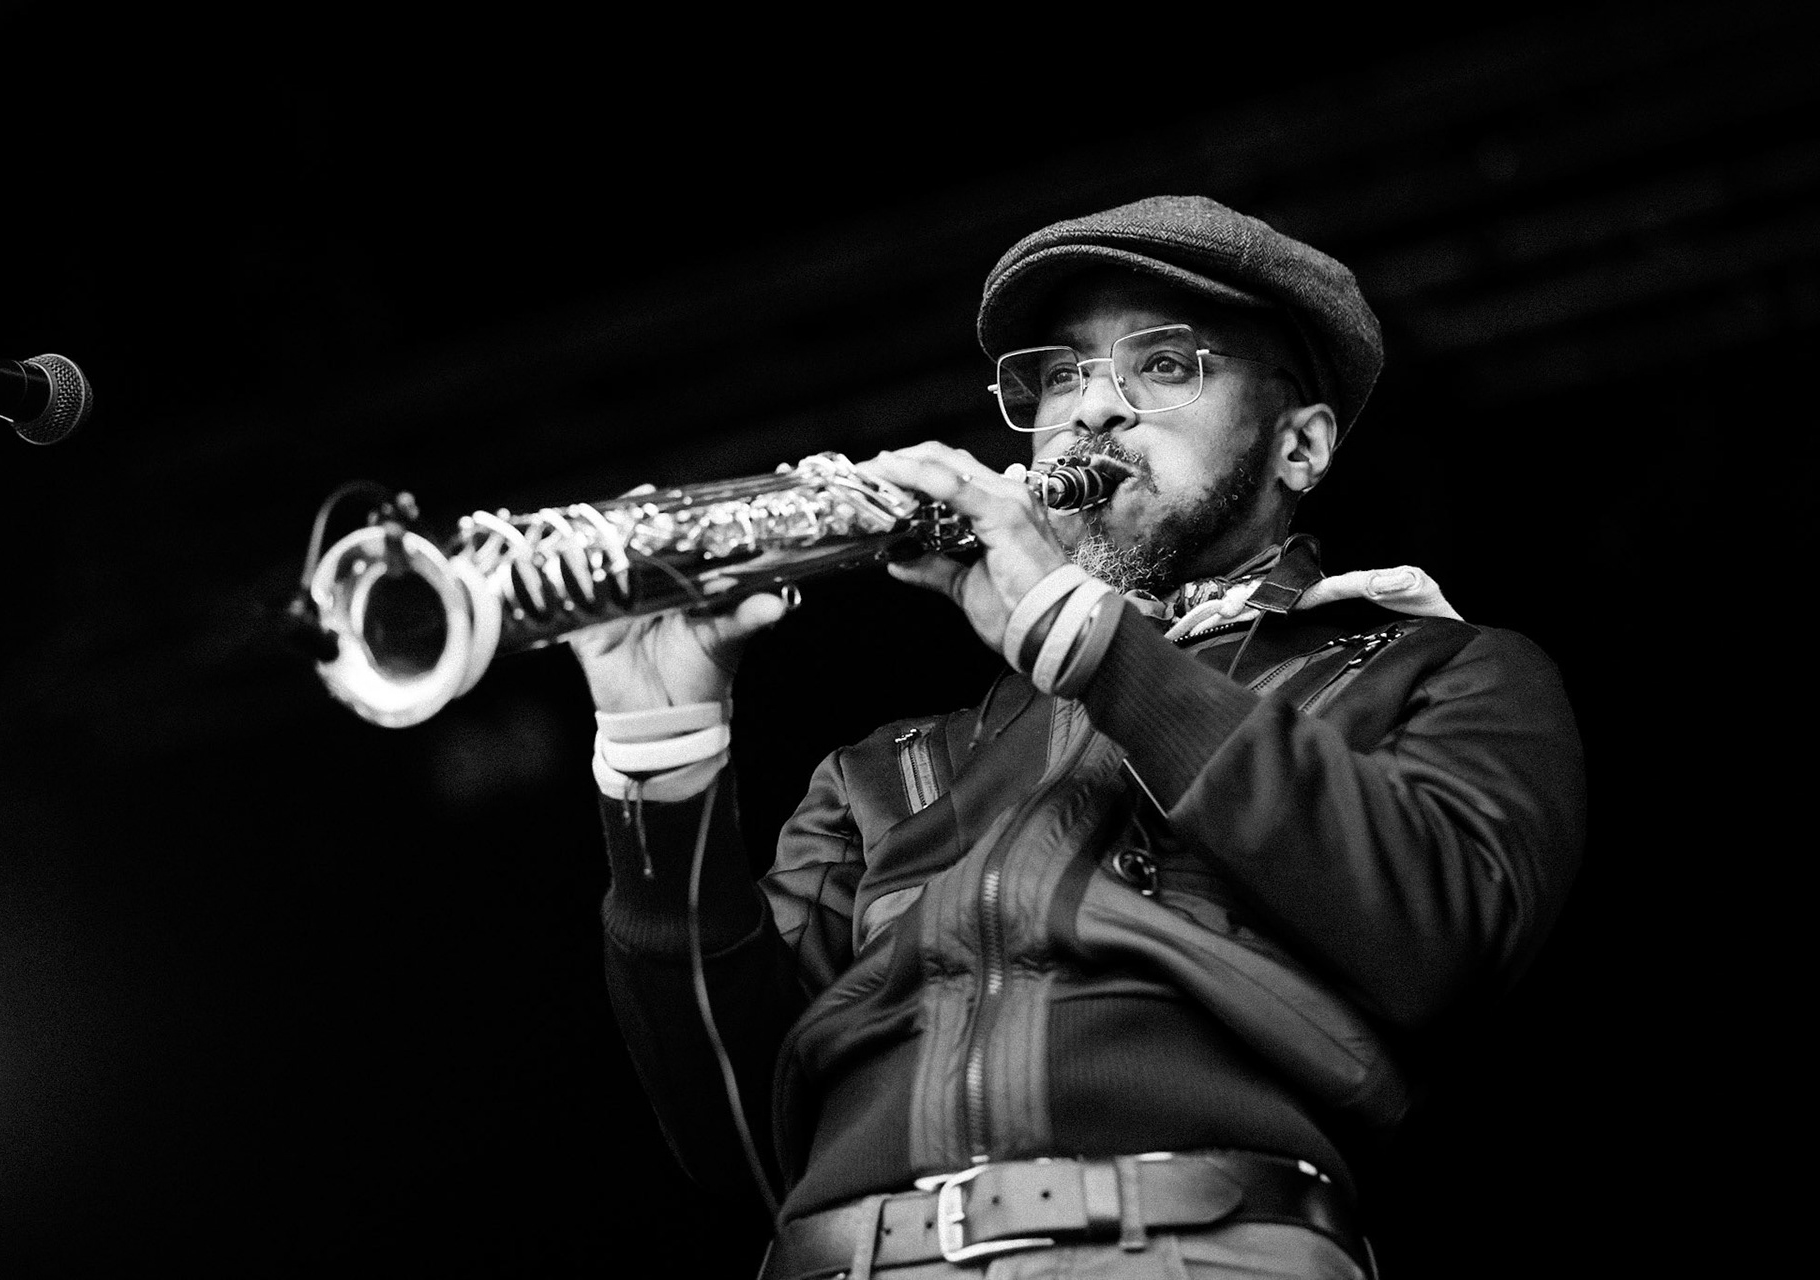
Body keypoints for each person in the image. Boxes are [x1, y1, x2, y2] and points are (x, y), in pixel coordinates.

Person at [570, 195, 1585, 1279]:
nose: (1091, 409)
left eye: (1166, 365)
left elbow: (1438, 933)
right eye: (1059, 376)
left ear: (1300, 445)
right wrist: (658, 752)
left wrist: (1090, 643)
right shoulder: (884, 772)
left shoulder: (1439, 670)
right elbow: (733, 1137)